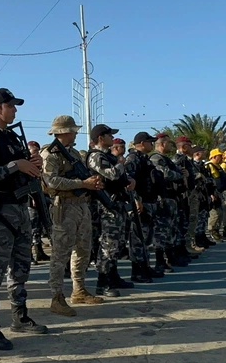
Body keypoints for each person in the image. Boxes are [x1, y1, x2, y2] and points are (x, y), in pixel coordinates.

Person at [0, 88, 48, 351]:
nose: (14, 110)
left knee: (21, 266)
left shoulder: (12, 137)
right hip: (0, 210)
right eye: (10, 105)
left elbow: (23, 172)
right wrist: (17, 165)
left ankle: (20, 316)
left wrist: (33, 165)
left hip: (20, 207)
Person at [42, 115, 105, 316]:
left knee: (83, 249)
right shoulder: (50, 154)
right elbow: (51, 181)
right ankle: (56, 297)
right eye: (73, 130)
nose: (76, 133)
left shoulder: (74, 153)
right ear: (65, 132)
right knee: (60, 254)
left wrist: (91, 182)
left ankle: (79, 290)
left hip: (80, 205)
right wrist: (82, 184)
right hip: (63, 207)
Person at [87, 124, 143, 294]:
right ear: (100, 138)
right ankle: (103, 281)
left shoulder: (108, 156)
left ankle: (113, 275)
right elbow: (111, 174)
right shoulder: (96, 156)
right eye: (109, 135)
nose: (112, 138)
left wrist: (131, 180)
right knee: (108, 243)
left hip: (117, 204)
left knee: (117, 243)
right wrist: (120, 164)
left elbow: (121, 176)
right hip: (105, 206)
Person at [125, 132, 170, 277]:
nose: (152, 144)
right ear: (142, 143)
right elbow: (128, 181)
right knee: (138, 238)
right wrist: (136, 200)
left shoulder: (144, 159)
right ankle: (137, 270)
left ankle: (145, 266)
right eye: (150, 142)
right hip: (141, 203)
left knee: (146, 238)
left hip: (150, 201)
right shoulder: (133, 159)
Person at [151, 134, 189, 267]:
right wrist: (180, 175)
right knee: (162, 230)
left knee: (171, 229)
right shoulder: (156, 158)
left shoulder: (165, 159)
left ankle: (171, 256)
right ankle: (160, 260)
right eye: (168, 143)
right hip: (163, 198)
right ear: (162, 144)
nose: (171, 146)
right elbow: (165, 174)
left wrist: (183, 173)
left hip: (172, 196)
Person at [173, 136, 203, 257]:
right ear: (184, 147)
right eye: (190, 146)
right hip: (183, 195)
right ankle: (185, 247)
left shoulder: (185, 159)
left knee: (190, 220)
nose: (192, 149)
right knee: (185, 222)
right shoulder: (178, 159)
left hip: (189, 193)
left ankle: (188, 245)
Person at [191, 146, 216, 248]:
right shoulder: (192, 165)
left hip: (204, 193)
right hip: (196, 194)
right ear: (197, 153)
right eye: (202, 152)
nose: (205, 153)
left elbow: (207, 179)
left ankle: (202, 235)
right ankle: (197, 239)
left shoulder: (203, 166)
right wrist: (200, 176)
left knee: (204, 216)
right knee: (198, 217)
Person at [205, 148, 226, 242]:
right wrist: (210, 193)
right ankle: (212, 232)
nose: (221, 157)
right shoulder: (208, 166)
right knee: (215, 214)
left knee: (220, 214)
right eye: (219, 156)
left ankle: (217, 231)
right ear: (214, 157)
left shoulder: (218, 166)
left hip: (219, 193)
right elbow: (207, 182)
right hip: (213, 193)